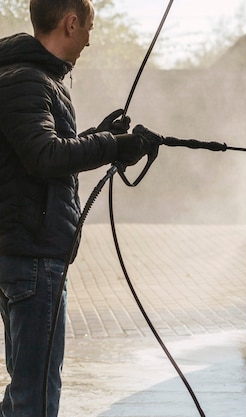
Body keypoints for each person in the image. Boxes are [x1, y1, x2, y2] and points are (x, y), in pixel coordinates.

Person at [0, 1, 161, 416]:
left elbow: (41, 157)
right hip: (33, 257)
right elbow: (43, 155)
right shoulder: (29, 80)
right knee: (35, 395)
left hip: (25, 253)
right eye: (89, 27)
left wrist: (100, 136)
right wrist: (112, 146)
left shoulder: (28, 77)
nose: (90, 38)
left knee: (26, 384)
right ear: (71, 23)